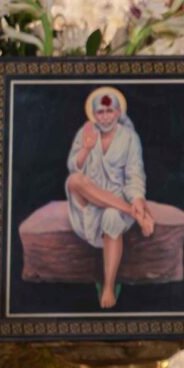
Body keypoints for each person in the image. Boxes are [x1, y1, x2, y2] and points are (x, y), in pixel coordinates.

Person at [64, 85, 153, 309]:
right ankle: (130, 212)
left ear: (118, 112)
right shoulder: (86, 132)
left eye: (109, 111)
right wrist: (86, 148)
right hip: (89, 200)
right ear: (94, 114)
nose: (105, 117)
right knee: (73, 180)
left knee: (112, 217)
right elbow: (74, 165)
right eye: (100, 112)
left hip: (117, 199)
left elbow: (134, 175)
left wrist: (137, 200)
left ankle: (109, 287)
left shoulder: (129, 137)